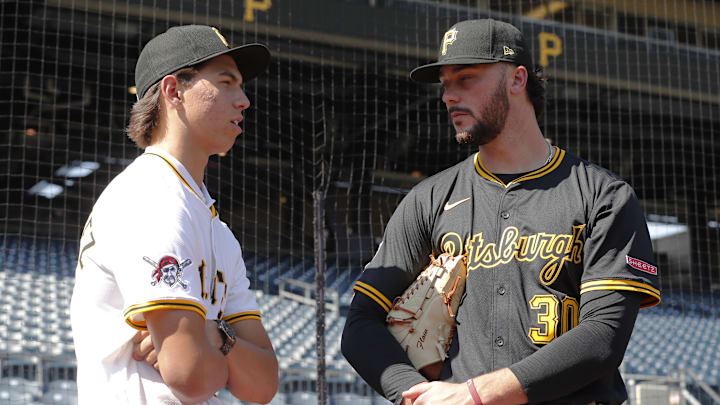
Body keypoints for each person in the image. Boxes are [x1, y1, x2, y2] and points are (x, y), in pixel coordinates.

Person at [342, 18, 660, 405]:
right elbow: (360, 324)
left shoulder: (603, 196)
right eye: (445, 83)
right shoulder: (428, 199)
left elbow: (603, 336)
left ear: (517, 79)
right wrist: (417, 394)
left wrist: (475, 396)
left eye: (466, 78)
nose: (448, 95)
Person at [70, 25, 278, 404]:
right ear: (173, 91)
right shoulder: (151, 195)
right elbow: (192, 376)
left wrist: (214, 336)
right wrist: (215, 349)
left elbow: (262, 384)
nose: (244, 100)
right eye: (226, 82)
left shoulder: (211, 222)